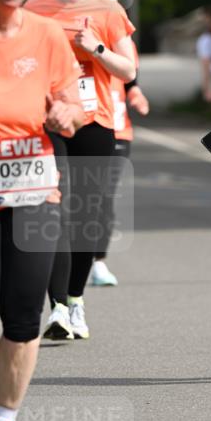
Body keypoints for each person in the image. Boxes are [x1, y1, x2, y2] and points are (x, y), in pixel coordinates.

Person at [0, 0, 84, 421]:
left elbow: (72, 98)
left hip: (34, 187)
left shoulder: (46, 35)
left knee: (24, 315)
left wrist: (66, 111)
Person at [28, 0, 136, 340]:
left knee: (86, 217)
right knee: (54, 208)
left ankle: (75, 300)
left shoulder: (108, 11)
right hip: (49, 122)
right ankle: (56, 308)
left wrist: (96, 48)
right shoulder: (36, 10)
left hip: (96, 121)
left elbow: (128, 71)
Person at [90, 46, 150, 287]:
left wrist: (135, 93)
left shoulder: (123, 42)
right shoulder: (70, 32)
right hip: (80, 126)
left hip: (117, 130)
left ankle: (98, 262)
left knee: (104, 197)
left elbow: (130, 78)